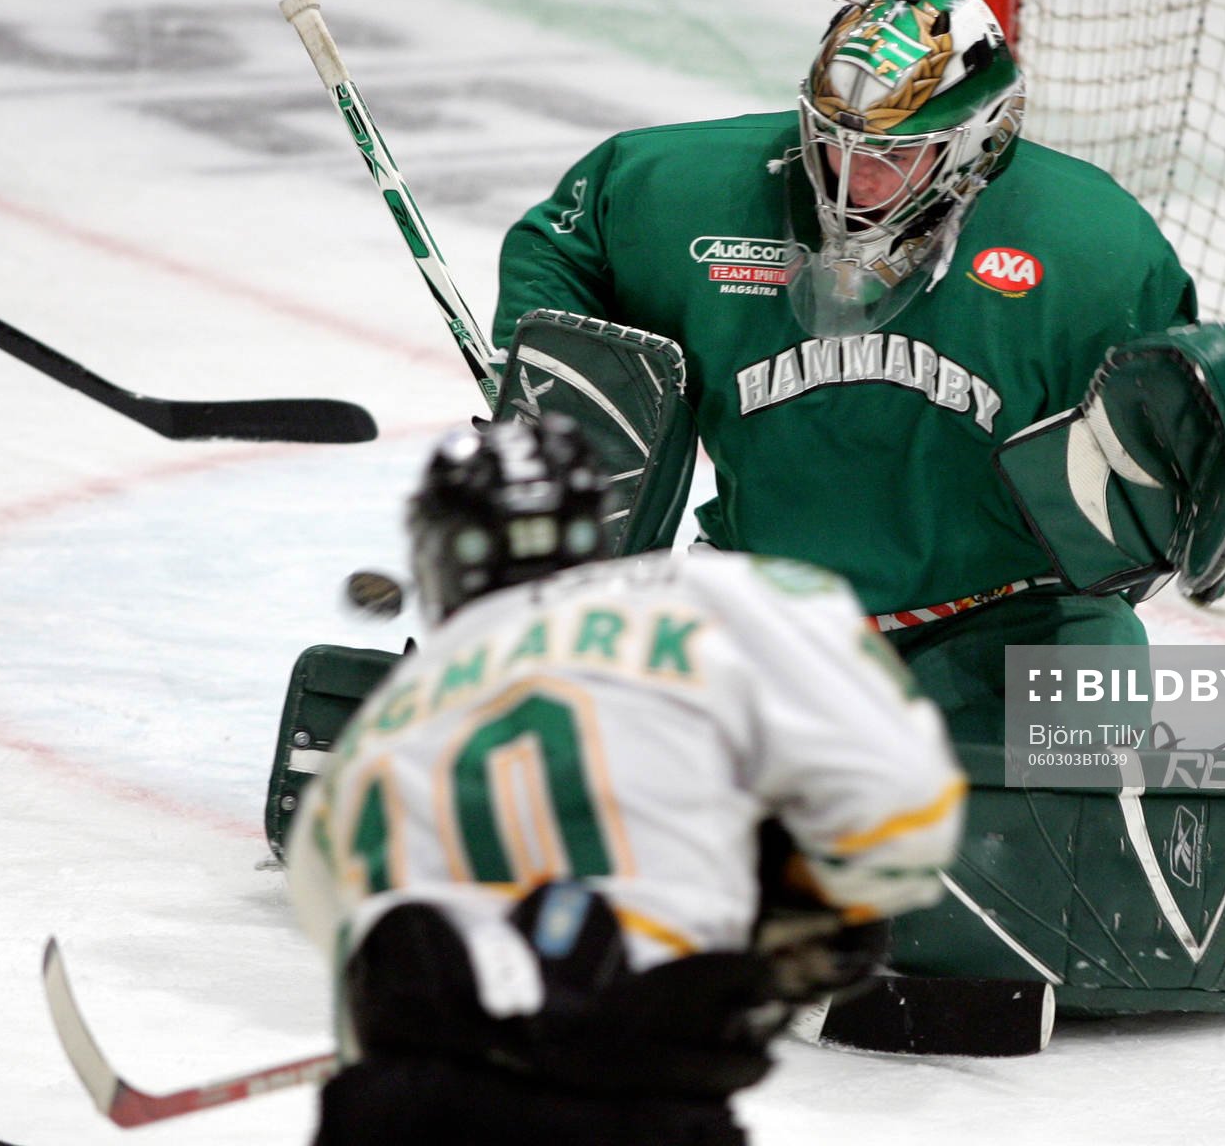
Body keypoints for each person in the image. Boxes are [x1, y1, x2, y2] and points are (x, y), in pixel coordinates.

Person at [489, 0, 1225, 1012]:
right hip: (767, 615)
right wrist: (554, 379)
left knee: (1080, 865)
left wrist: (1195, 461)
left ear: (975, 141)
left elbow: (1159, 462)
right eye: (831, 138)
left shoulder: (1092, 248)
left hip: (1018, 627)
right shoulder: (686, 192)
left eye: (887, 151)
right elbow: (566, 241)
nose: (847, 173)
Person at [286, 416, 966, 1144]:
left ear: (434, 553)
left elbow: (344, 937)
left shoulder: (387, 717)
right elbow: (903, 817)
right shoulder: (718, 598)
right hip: (635, 1101)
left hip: (403, 1113)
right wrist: (799, 905)